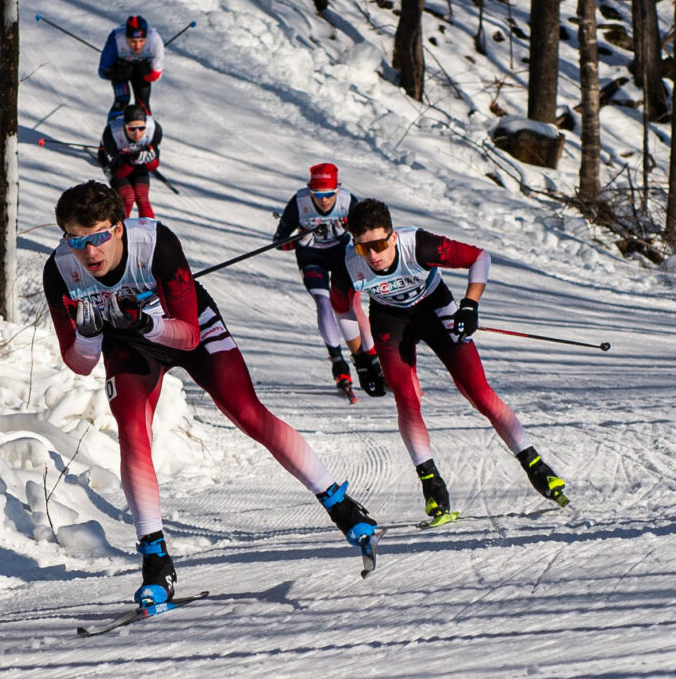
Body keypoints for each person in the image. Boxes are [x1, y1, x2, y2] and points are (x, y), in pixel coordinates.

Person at [43, 181, 378, 605]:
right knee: (132, 434)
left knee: (247, 412)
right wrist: (90, 335)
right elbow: (80, 363)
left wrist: (144, 323)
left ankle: (343, 507)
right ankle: (155, 563)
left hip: (186, 328)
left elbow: (187, 336)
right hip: (128, 344)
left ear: (120, 229)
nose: (90, 253)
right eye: (77, 240)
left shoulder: (154, 243)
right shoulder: (60, 269)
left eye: (99, 237)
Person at [334, 197, 569, 526]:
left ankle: (535, 464)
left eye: (377, 245)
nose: (372, 256)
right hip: (390, 321)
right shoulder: (348, 264)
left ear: (392, 236)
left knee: (479, 392)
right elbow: (342, 310)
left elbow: (479, 258)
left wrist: (470, 305)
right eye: (363, 248)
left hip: (435, 309)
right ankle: (432, 486)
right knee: (406, 398)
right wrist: (361, 359)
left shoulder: (418, 245)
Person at [273, 163, 384, 400]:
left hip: (342, 256)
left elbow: (367, 234)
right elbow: (279, 241)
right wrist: (299, 240)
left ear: (337, 190)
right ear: (310, 192)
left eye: (329, 195)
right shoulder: (300, 202)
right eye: (318, 196)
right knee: (323, 302)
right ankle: (338, 362)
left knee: (350, 303)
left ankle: (371, 356)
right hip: (311, 257)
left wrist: (349, 230)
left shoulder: (347, 200)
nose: (324, 201)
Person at [97, 104, 163, 219]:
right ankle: (119, 230)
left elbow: (153, 166)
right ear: (124, 125)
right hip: (117, 163)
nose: (137, 133)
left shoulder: (154, 129)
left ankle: (150, 232)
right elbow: (117, 172)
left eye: (141, 128)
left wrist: (149, 160)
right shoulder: (112, 133)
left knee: (142, 196)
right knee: (127, 197)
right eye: (131, 129)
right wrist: (131, 162)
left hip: (135, 162)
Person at [97, 14, 165, 121]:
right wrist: (118, 73)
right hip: (121, 71)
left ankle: (147, 134)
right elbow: (103, 71)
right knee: (122, 100)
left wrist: (144, 72)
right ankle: (111, 133)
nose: (137, 46)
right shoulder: (116, 39)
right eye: (133, 41)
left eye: (141, 41)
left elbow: (156, 75)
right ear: (126, 37)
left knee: (143, 105)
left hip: (141, 73)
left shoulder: (155, 40)